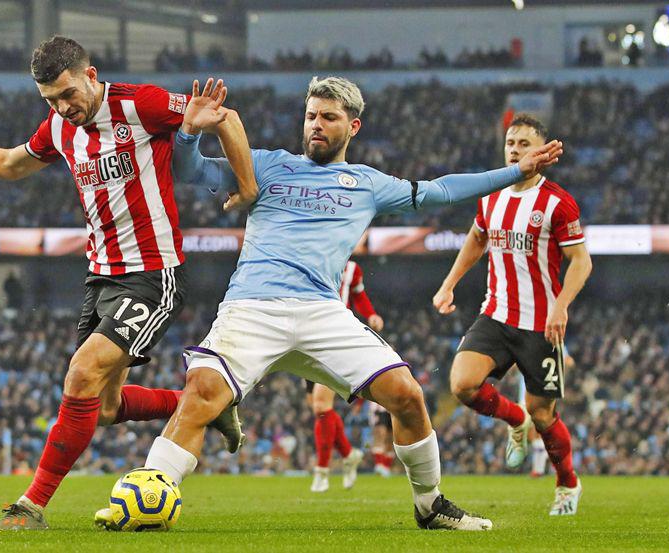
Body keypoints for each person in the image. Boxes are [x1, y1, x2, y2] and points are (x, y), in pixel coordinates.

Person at [129, 76, 562, 531]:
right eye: (312, 116)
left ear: (352, 127)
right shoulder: (266, 166)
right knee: (200, 393)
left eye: (329, 117)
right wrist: (189, 132)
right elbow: (189, 169)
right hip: (253, 306)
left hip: (322, 311)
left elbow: (442, 190)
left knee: (408, 395)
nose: (317, 125)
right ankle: (151, 490)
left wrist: (517, 171)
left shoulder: (367, 184)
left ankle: (430, 505)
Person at [0, 36, 256, 530]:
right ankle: (210, 405)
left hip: (153, 273)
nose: (63, 108)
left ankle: (31, 506)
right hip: (101, 277)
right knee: (103, 408)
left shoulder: (139, 103)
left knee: (81, 371)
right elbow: (8, 164)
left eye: (67, 94)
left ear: (91, 74)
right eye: (50, 101)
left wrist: (247, 185)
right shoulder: (60, 128)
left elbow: (224, 116)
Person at [432, 113, 591, 516]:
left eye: (524, 143)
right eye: (510, 143)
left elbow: (581, 262)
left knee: (545, 415)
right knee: (463, 384)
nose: (515, 149)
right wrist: (449, 282)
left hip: (541, 325)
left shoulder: (557, 201)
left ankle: (567, 484)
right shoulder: (492, 195)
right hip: (497, 315)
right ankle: (514, 419)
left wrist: (560, 306)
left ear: (539, 149)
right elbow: (476, 239)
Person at [305, 260, 380, 492]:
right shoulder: (310, 261)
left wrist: (371, 314)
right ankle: (349, 454)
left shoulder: (351, 268)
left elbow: (359, 295)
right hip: (308, 340)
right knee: (320, 411)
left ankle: (322, 472)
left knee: (320, 405)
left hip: (334, 339)